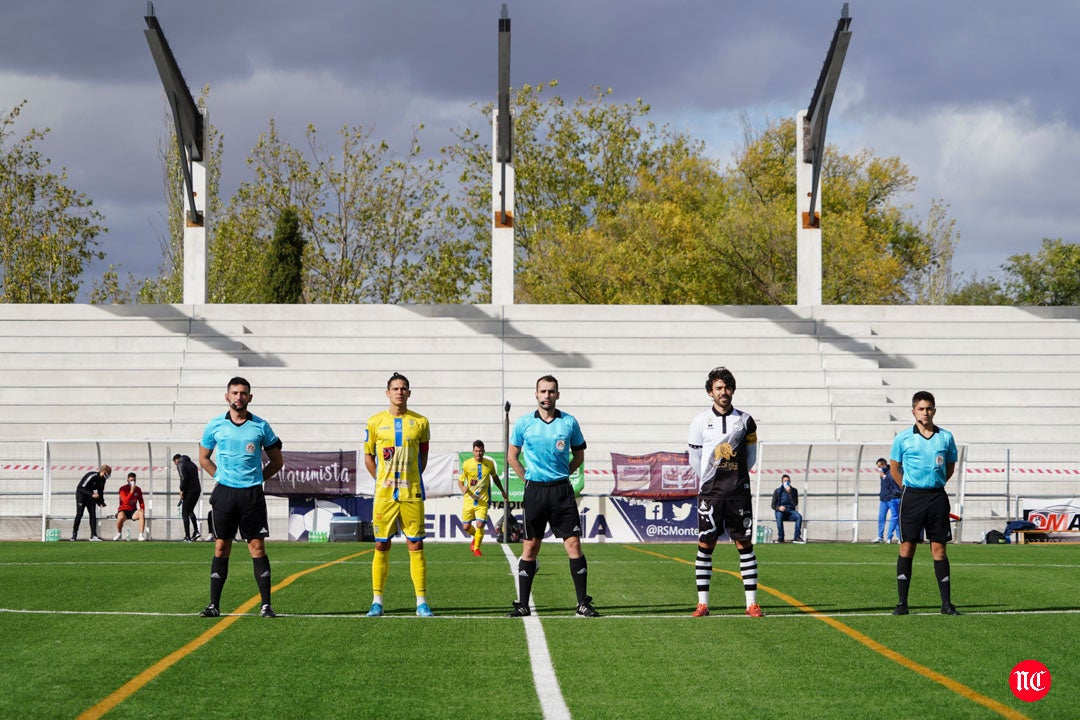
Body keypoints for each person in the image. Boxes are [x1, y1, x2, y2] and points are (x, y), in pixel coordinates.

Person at [506, 375, 598, 618]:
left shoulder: (569, 422)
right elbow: (512, 456)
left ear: (558, 394)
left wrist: (564, 473)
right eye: (543, 391)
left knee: (573, 544)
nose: (547, 395)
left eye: (551, 391)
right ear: (536, 394)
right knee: (530, 546)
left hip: (561, 492)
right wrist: (526, 477)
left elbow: (578, 454)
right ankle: (523, 604)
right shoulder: (524, 423)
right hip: (535, 491)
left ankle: (582, 603)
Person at [197, 376, 284, 619]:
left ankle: (266, 605)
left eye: (243, 393)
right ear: (227, 396)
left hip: (252, 494)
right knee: (221, 546)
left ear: (250, 397)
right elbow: (203, 457)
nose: (239, 397)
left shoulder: (261, 426)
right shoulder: (215, 425)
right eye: (234, 393)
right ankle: (214, 605)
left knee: (256, 547)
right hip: (225, 493)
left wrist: (258, 478)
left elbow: (277, 460)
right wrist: (220, 477)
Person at [688, 366, 763, 618]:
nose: (724, 392)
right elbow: (695, 458)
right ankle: (703, 604)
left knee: (744, 544)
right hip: (710, 494)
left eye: (727, 387)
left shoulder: (745, 421)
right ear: (710, 392)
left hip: (738, 494)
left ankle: (751, 604)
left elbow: (750, 458)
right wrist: (710, 480)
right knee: (705, 544)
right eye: (719, 388)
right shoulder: (699, 421)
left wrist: (736, 477)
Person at [364, 372, 433, 618]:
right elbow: (368, 457)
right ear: (387, 393)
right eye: (395, 388)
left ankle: (422, 602)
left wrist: (413, 477)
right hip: (384, 494)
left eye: (403, 388)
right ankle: (377, 601)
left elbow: (423, 456)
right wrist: (381, 480)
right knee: (382, 544)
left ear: (409, 393)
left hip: (411, 492)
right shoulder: (374, 422)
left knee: (415, 544)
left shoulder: (421, 422)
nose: (399, 392)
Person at [890, 390, 960, 616]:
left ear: (935, 410)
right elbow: (894, 467)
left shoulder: (946, 437)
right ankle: (902, 603)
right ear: (913, 411)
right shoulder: (902, 438)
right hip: (912, 497)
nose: (925, 412)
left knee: (939, 549)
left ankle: (947, 604)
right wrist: (908, 487)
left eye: (929, 408)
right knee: (907, 546)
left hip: (937, 497)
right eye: (921, 408)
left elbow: (949, 467)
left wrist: (934, 483)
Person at [458, 439, 506, 557]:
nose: (478, 453)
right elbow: (460, 481)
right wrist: (462, 488)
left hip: (483, 500)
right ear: (473, 452)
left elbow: (495, 478)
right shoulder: (466, 464)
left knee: (480, 524)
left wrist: (502, 491)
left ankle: (476, 548)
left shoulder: (489, 464)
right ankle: (476, 536)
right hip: (469, 500)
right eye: (476, 451)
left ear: (484, 451)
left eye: (480, 451)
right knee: (466, 527)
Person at [72, 464, 111, 541]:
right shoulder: (91, 476)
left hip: (90, 496)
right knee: (80, 514)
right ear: (103, 472)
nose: (108, 476)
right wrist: (92, 494)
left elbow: (100, 491)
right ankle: (74, 533)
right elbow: (80, 487)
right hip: (81, 495)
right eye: (107, 473)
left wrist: (101, 502)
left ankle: (93, 535)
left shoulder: (103, 479)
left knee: (93, 515)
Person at [174, 453, 202, 542]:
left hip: (189, 491)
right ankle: (196, 531)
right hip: (197, 490)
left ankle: (187, 536)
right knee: (190, 511)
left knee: (184, 513)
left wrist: (182, 489)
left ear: (176, 460)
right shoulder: (192, 464)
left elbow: (183, 477)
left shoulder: (180, 463)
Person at [771, 474, 805, 543]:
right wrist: (778, 507)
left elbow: (795, 503)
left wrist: (790, 493)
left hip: (790, 511)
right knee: (779, 516)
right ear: (782, 482)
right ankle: (781, 537)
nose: (786, 482)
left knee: (799, 516)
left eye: (788, 481)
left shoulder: (794, 491)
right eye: (785, 481)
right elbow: (773, 505)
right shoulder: (777, 491)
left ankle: (797, 537)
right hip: (780, 511)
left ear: (790, 481)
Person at [113, 472, 148, 541]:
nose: (133, 482)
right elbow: (125, 501)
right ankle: (119, 533)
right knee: (120, 517)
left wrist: (142, 509)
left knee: (141, 513)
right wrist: (131, 491)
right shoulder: (122, 489)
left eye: (134, 480)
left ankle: (140, 535)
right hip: (123, 510)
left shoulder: (138, 489)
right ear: (128, 480)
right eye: (131, 480)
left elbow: (141, 501)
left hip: (133, 510)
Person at [874, 457, 901, 543]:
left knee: (895, 517)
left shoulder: (891, 471)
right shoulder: (882, 473)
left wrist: (885, 477)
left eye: (880, 466)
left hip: (891, 498)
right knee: (881, 517)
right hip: (883, 499)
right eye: (878, 467)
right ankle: (880, 536)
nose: (879, 468)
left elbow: (892, 484)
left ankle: (898, 537)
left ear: (884, 464)